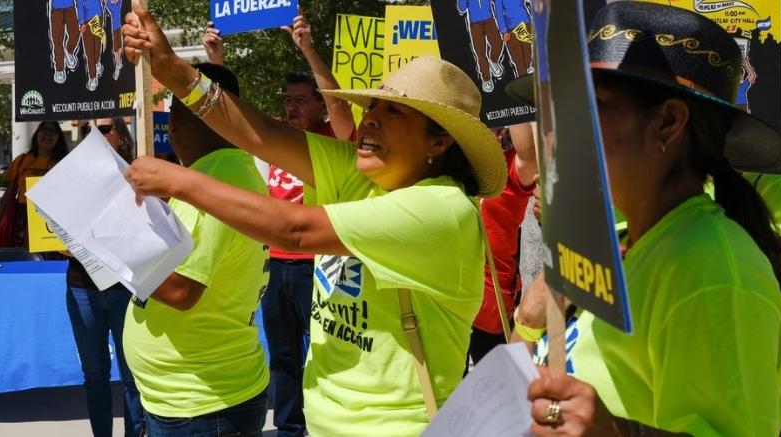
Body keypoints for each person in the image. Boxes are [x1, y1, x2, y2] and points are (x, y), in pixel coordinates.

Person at [122, 6, 507, 434]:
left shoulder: (442, 209)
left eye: (394, 112)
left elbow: (295, 229)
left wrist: (179, 182)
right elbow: (261, 134)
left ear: (440, 140)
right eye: (373, 104)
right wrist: (170, 67)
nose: (371, 117)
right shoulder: (362, 173)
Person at [510, 3, 781, 435]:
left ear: (667, 122)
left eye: (588, 105)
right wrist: (529, 324)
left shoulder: (710, 270)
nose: (556, 131)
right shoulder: (631, 251)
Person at [205, 13, 356, 436]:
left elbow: (341, 105)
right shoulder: (275, 144)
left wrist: (306, 47)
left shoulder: (333, 139)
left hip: (321, 268)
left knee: (326, 352)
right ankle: (291, 428)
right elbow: (230, 122)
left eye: (302, 99)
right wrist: (215, 61)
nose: (292, 106)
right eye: (288, 99)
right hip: (276, 268)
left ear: (319, 105)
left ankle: (330, 424)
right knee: (284, 356)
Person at [121, 63, 271, 436]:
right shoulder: (220, 175)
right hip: (193, 398)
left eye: (175, 112)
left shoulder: (219, 182)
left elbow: (180, 289)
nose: (169, 127)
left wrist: (107, 238)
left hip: (204, 404)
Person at [66, 117, 144, 437]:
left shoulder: (137, 174)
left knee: (130, 374)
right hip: (82, 286)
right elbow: (52, 229)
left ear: (122, 136)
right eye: (87, 130)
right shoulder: (69, 178)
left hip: (122, 286)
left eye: (105, 128)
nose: (95, 134)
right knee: (95, 374)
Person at [469, 123, 536, 366]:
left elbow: (529, 156)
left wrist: (508, 100)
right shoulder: (448, 166)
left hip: (491, 305)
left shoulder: (508, 169)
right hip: (447, 300)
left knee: (497, 393)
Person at [0, 121, 69, 247]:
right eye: (44, 130)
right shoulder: (21, 160)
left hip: (53, 223)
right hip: (22, 222)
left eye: (53, 131)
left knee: (49, 264)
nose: (48, 134)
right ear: (36, 134)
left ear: (59, 138)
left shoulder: (65, 164)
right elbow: (9, 194)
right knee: (24, 262)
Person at [457, 0, 505, 92]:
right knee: (480, 52)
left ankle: (493, 60)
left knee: (498, 42)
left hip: (489, 19)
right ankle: (486, 78)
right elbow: (462, 9)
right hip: (475, 24)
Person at [49, 0, 79, 84]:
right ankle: (59, 69)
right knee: (57, 41)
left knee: (75, 33)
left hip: (70, 7)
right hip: (56, 9)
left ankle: (69, 52)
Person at [78, 0, 105, 91]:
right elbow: (79, 4)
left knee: (97, 45)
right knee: (89, 52)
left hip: (98, 17)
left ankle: (97, 62)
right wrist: (82, 22)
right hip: (87, 21)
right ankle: (92, 77)